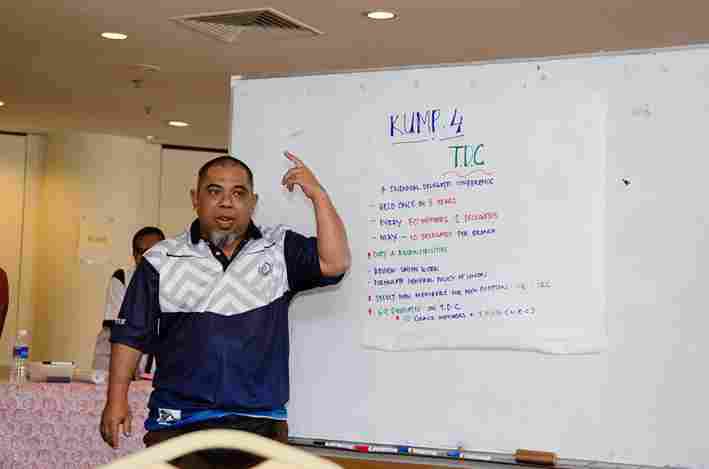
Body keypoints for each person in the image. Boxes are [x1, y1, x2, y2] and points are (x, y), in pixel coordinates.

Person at [100, 152, 351, 469]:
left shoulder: (279, 249)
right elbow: (130, 335)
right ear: (196, 199)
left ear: (252, 202)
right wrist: (116, 399)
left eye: (238, 193)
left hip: (260, 426)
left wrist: (319, 196)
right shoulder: (161, 259)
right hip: (177, 423)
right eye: (214, 191)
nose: (226, 202)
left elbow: (335, 262)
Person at [92, 226, 165, 372]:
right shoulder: (123, 278)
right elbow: (117, 328)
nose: (148, 258)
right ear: (135, 255)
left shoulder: (177, 282)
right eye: (141, 252)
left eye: (154, 252)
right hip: (123, 355)